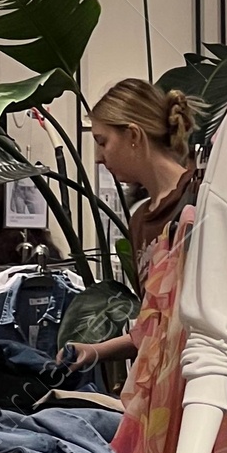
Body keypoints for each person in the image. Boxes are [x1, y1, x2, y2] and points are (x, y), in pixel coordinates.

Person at [64, 80, 199, 372]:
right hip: (160, 389)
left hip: (203, 383)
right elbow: (155, 327)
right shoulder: (140, 219)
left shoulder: (201, 198)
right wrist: (95, 351)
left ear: (134, 136)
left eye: (103, 142)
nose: (99, 158)